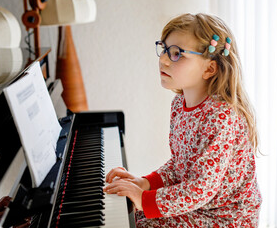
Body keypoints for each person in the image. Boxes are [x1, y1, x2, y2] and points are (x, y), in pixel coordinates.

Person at [104, 13, 262, 227]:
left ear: (209, 69)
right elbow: (181, 165)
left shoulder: (221, 117)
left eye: (177, 53)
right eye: (164, 49)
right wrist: (145, 183)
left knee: (140, 221)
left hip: (225, 218)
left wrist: (143, 199)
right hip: (201, 206)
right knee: (134, 215)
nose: (163, 59)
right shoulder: (179, 104)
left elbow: (201, 187)